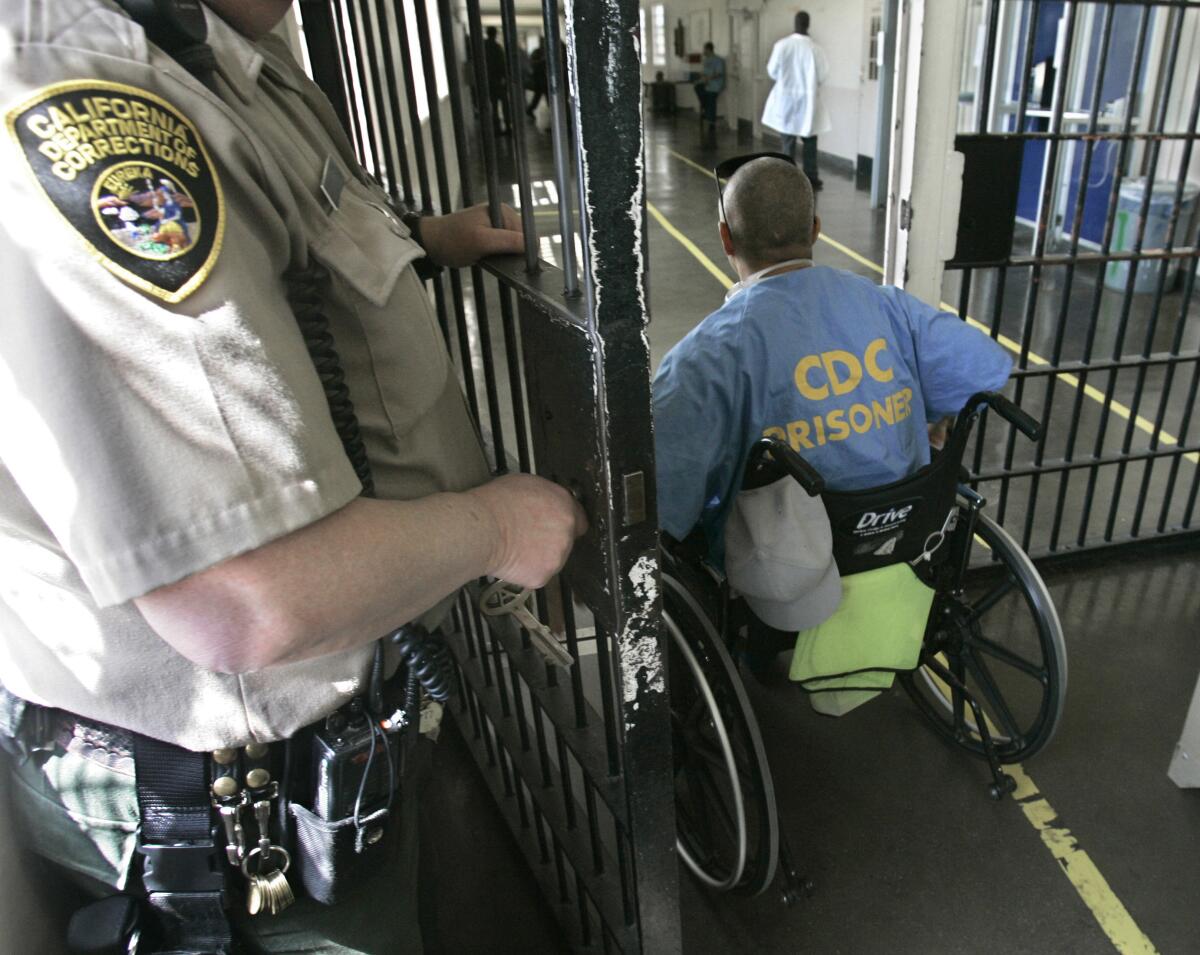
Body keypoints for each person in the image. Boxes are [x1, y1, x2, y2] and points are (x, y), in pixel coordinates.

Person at [0, 2, 585, 953]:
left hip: (338, 728)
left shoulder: (226, 50)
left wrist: (424, 238)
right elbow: (242, 602)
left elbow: (289, 239)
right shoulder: (85, 97)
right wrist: (499, 530)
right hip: (237, 806)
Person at [652, 156, 1012, 567]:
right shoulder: (886, 305)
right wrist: (932, 415)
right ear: (816, 230)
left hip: (780, 568)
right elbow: (985, 366)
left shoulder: (708, 355)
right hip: (901, 536)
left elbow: (662, 495)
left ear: (725, 239)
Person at [762, 12, 830, 189]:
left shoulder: (782, 46)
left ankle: (788, 179)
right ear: (808, 24)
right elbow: (823, 76)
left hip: (786, 102)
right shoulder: (816, 49)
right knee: (810, 142)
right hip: (808, 103)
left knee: (788, 143)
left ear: (795, 23)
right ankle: (811, 178)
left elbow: (772, 72)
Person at [484, 25, 512, 135]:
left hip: (487, 80)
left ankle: (496, 128)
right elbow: (502, 64)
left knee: (493, 106)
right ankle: (507, 126)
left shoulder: (483, 46)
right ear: (495, 34)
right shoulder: (496, 47)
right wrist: (505, 78)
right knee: (504, 104)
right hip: (498, 80)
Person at [693, 42, 726, 130]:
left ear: (708, 49)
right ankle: (705, 108)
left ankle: (712, 121)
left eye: (704, 49)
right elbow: (704, 73)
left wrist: (708, 78)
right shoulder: (706, 60)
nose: (703, 51)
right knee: (698, 87)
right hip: (707, 83)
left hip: (715, 84)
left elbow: (719, 73)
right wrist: (700, 80)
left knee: (711, 99)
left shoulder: (718, 60)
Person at [526, 42, 548, 119]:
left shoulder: (541, 52)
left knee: (538, 97)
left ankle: (530, 110)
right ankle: (529, 110)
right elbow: (533, 63)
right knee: (539, 96)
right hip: (540, 79)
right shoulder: (539, 53)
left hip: (542, 79)